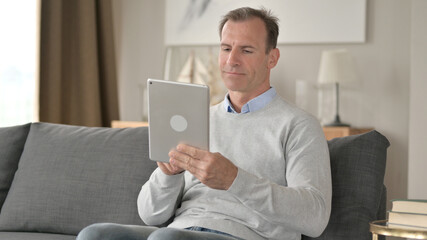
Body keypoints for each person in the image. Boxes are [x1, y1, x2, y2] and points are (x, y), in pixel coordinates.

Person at [77, 7, 331, 240]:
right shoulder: (199, 118)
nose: (232, 60)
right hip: (180, 231)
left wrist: (234, 179)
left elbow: (314, 218)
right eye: (225, 48)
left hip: (245, 235)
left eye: (247, 50)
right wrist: (168, 174)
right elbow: (150, 215)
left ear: (272, 58)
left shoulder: (299, 125)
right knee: (95, 235)